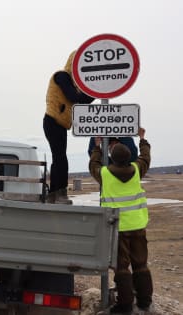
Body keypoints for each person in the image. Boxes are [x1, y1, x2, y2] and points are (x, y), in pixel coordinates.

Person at [89, 127, 153, 314]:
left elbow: (93, 164)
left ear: (113, 158)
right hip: (138, 225)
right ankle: (144, 302)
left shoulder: (104, 174)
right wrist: (142, 139)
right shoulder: (137, 169)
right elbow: (146, 156)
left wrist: (97, 146)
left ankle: (125, 305)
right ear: (128, 158)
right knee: (141, 265)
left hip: (118, 228)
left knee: (122, 269)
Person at [44, 50, 94, 204]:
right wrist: (92, 92)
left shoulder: (71, 83)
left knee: (58, 158)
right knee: (61, 159)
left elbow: (82, 99)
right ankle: (60, 194)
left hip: (58, 124)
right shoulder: (62, 76)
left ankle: (53, 194)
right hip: (53, 121)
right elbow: (75, 97)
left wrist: (95, 91)